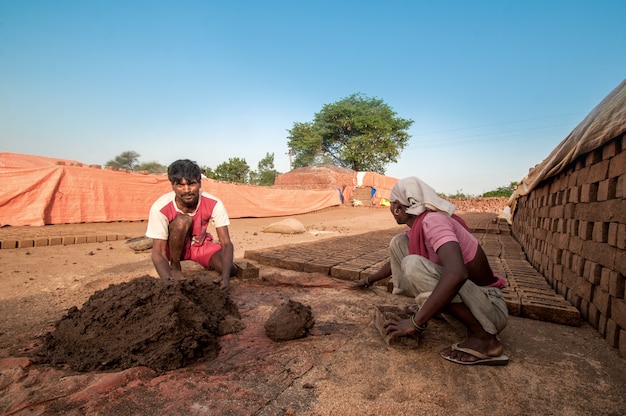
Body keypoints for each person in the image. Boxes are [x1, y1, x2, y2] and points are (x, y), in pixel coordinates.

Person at [352, 176, 509, 365]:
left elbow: (457, 273)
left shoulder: (433, 222)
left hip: (489, 310)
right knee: (399, 244)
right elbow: (394, 261)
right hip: (472, 300)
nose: (391, 209)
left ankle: (484, 339)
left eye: (392, 204)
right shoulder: (420, 226)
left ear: (398, 208)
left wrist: (414, 323)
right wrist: (369, 280)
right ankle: (430, 307)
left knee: (413, 264)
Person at [145, 159, 238, 290]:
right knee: (183, 220)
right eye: (180, 185)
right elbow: (158, 252)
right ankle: (175, 267)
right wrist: (169, 285)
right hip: (173, 248)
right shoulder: (160, 207)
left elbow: (226, 243)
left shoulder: (214, 203)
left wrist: (226, 277)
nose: (187, 190)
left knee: (230, 269)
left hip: (200, 246)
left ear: (200, 183)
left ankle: (206, 262)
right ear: (172, 186)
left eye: (192, 184)